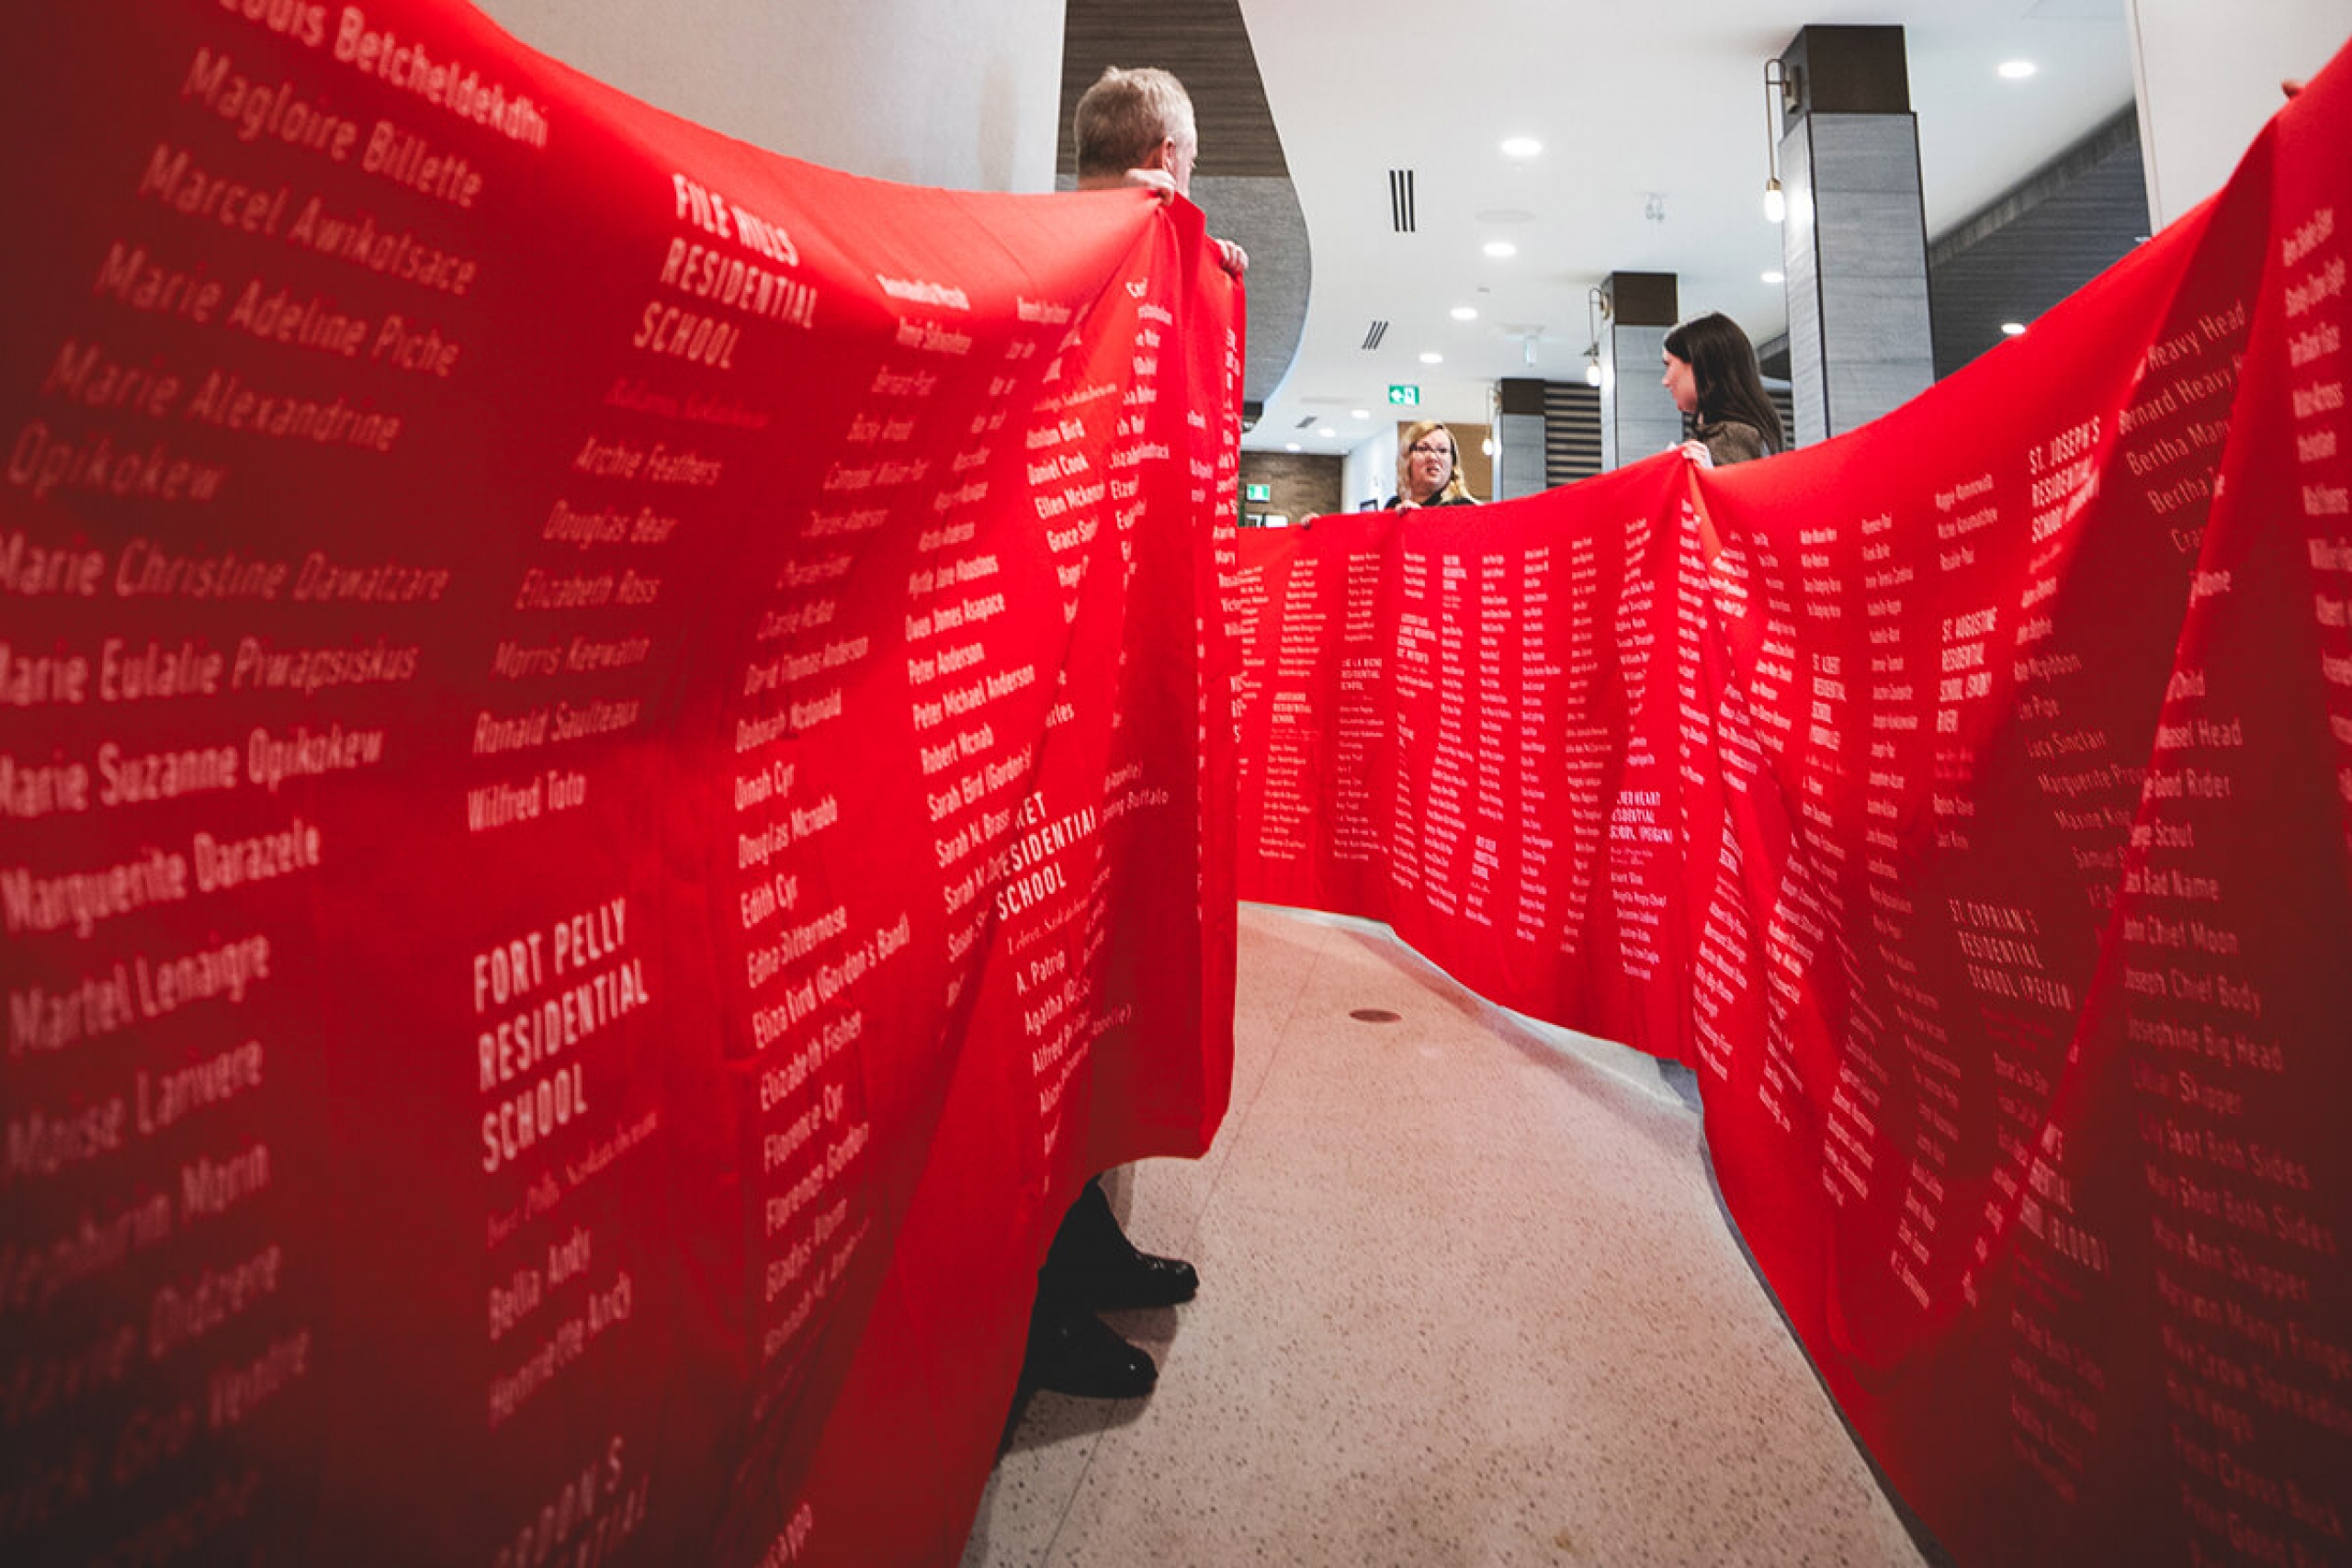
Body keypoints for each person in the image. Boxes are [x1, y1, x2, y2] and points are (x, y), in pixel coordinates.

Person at [1019, 65, 1224, 1404]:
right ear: (1160, 153)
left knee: (1093, 999)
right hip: (1044, 705)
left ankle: (1081, 1240)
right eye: (1188, 161)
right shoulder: (1079, 263)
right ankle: (1027, 1309)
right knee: (1037, 1028)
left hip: (1105, 701)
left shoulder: (1133, 268)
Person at [1074, 66, 1247, 276]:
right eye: (1190, 164)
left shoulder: (1034, 240)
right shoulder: (1147, 270)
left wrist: (1204, 265)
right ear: (1168, 158)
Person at [1661, 311, 1784, 468]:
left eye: (1669, 365)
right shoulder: (1733, 437)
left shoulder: (1733, 438)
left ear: (1700, 366)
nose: (1665, 381)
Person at [1385, 420, 1478, 509]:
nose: (1433, 457)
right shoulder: (1394, 506)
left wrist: (1420, 518)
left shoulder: (1464, 508)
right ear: (1407, 457)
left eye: (1442, 450)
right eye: (1423, 449)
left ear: (1452, 462)